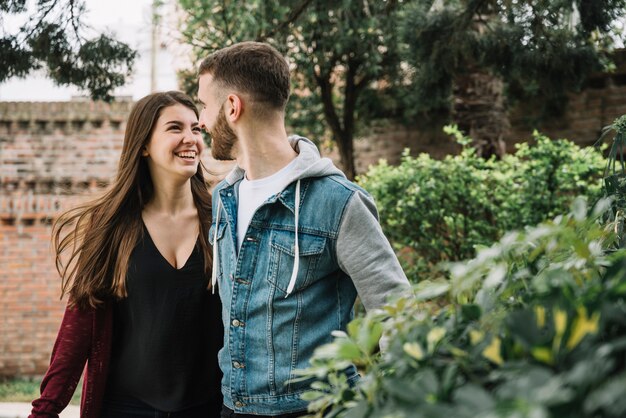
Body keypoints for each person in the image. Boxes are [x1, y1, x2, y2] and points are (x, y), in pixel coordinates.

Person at [197, 41, 411, 418]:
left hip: (316, 409)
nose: (201, 120)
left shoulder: (338, 202)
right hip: (233, 408)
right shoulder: (224, 198)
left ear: (232, 107)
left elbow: (398, 312)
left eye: (204, 105)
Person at [30, 91, 224, 418]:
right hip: (124, 408)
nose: (191, 138)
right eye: (175, 128)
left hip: (207, 408)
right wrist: (46, 410)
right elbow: (79, 324)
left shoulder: (223, 219)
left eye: (195, 128)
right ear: (144, 144)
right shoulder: (112, 225)